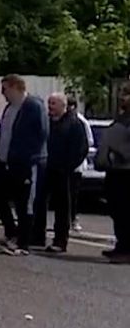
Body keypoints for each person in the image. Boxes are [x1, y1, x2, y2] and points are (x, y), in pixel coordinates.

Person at [0, 74, 49, 256]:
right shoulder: (9, 108)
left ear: (16, 87)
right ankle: (12, 232)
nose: (3, 93)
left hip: (24, 163)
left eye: (5, 89)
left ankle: (23, 243)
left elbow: (42, 133)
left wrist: (29, 157)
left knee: (24, 203)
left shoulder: (33, 106)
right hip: (4, 161)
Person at [31, 93, 88, 253]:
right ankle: (37, 236)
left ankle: (60, 241)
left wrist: (67, 166)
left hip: (64, 171)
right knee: (40, 202)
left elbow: (81, 149)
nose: (50, 107)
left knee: (63, 207)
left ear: (63, 105)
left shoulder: (74, 123)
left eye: (54, 103)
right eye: (49, 103)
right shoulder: (47, 122)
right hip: (45, 167)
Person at [95, 83, 130, 262]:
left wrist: (121, 153)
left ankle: (126, 250)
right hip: (114, 171)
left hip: (126, 171)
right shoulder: (122, 117)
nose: (122, 98)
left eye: (126, 94)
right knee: (117, 210)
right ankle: (121, 245)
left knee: (126, 211)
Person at [70, 98, 93, 233]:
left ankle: (73, 219)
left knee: (73, 194)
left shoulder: (81, 121)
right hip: (62, 164)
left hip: (76, 165)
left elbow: (89, 141)